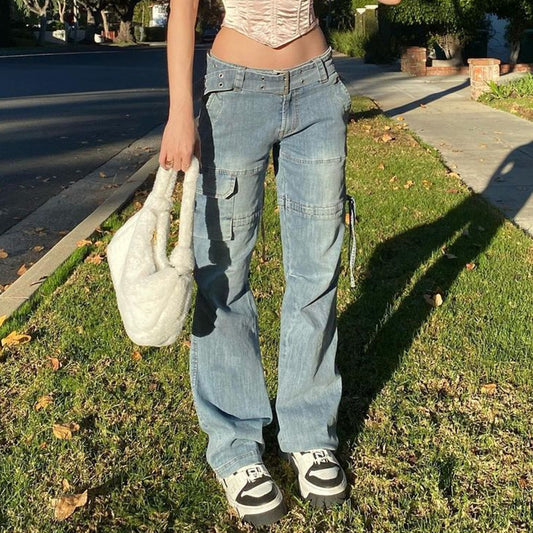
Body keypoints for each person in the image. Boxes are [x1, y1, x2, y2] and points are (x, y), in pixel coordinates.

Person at [159, 0, 401, 527]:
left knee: (316, 272)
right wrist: (179, 113)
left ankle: (310, 433)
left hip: (316, 89)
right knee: (223, 277)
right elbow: (182, 12)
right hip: (234, 92)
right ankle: (235, 446)